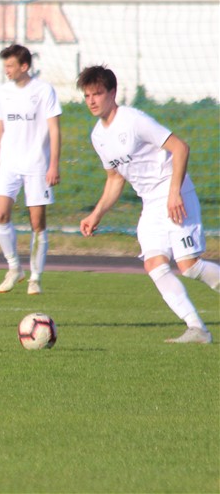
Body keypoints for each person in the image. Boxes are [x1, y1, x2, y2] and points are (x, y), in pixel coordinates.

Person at [78, 65, 218, 344]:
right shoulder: (98, 136)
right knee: (154, 264)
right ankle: (197, 329)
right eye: (87, 95)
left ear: (112, 93)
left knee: (189, 266)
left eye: (98, 93)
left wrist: (174, 192)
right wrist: (96, 214)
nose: (92, 101)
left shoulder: (133, 120)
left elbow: (180, 148)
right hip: (151, 202)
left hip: (174, 189)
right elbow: (115, 178)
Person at [0, 44, 62, 295]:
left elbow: (54, 129)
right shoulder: (3, 92)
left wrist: (53, 164)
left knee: (37, 222)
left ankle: (35, 277)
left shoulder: (43, 91)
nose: (6, 70)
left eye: (10, 65)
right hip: (9, 165)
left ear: (24, 66)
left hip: (37, 165)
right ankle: (14, 268)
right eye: (5, 65)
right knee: (0, 215)